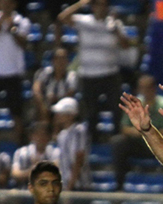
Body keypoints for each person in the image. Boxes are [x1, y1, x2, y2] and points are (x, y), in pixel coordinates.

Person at [59, 0, 131, 138]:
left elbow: (126, 45)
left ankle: (116, 139)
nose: (102, 8)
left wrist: (116, 30)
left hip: (110, 74)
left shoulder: (114, 23)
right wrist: (81, 3)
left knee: (116, 109)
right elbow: (62, 18)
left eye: (105, 5)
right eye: (98, 4)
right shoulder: (83, 21)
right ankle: (93, 142)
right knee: (91, 112)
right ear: (93, 7)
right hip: (89, 75)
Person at [111, 74, 163, 190]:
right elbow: (124, 127)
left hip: (159, 143)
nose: (144, 91)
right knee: (118, 142)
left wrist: (151, 133)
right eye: (142, 88)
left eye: (147, 88)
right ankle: (119, 184)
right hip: (139, 143)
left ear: (153, 89)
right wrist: (136, 132)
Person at [0, 0, 31, 142]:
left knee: (17, 113)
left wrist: (11, 29)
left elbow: (23, 43)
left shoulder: (22, 22)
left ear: (14, 5)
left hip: (13, 73)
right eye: (3, 3)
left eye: (9, 3)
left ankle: (19, 143)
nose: (6, 6)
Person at [52, 96, 91, 190]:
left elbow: (79, 158)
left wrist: (70, 185)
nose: (57, 116)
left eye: (61, 113)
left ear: (71, 115)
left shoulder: (79, 130)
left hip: (79, 185)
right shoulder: (62, 135)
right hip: (66, 184)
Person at [31, 47, 78, 123]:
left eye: (63, 59)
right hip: (46, 104)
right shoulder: (45, 72)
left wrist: (57, 100)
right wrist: (43, 104)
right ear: (53, 61)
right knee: (39, 108)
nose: (61, 62)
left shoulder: (71, 76)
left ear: (67, 61)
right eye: (58, 59)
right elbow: (36, 89)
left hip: (63, 105)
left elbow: (70, 93)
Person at [11, 121, 60, 187]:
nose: (41, 138)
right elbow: (15, 174)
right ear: (31, 136)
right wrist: (33, 170)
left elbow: (57, 172)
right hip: (25, 193)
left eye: (44, 134)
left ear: (49, 137)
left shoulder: (55, 152)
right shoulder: (21, 152)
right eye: (37, 134)